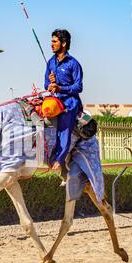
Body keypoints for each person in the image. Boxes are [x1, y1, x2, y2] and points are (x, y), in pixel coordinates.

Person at [44, 29, 83, 171]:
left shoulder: (73, 64)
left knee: (64, 128)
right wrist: (51, 84)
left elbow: (78, 86)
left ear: (64, 43)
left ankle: (59, 159)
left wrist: (60, 88)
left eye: (55, 41)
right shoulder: (50, 63)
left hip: (70, 102)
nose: (51, 44)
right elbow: (46, 85)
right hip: (55, 101)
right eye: (51, 41)